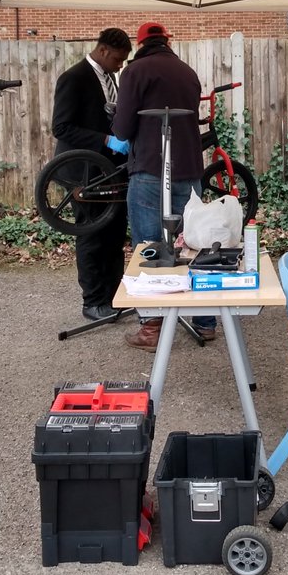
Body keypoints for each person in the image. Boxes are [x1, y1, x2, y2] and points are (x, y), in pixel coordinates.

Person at [112, 21, 215, 351]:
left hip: (152, 170)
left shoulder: (135, 72)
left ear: (140, 44)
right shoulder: (187, 71)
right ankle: (206, 320)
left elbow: (124, 128)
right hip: (191, 168)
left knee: (149, 246)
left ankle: (152, 327)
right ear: (166, 42)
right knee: (193, 244)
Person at [51, 27, 132, 321]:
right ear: (103, 51)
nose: (121, 65)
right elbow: (61, 127)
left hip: (108, 172)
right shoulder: (73, 79)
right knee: (91, 234)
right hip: (80, 173)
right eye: (118, 60)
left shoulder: (109, 78)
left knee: (114, 234)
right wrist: (105, 140)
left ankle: (114, 297)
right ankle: (93, 301)